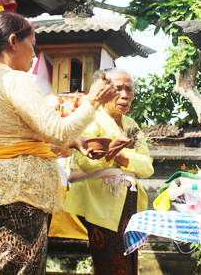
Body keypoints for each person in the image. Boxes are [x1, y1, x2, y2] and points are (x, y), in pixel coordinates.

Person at [0, 11, 117, 275]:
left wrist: (74, 142)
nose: (35, 54)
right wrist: (92, 101)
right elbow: (57, 130)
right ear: (13, 42)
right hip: (20, 193)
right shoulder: (15, 79)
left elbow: (21, 140)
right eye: (32, 44)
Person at [64, 68, 154, 275]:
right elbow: (84, 162)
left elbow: (147, 167)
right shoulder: (91, 120)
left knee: (129, 258)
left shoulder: (131, 125)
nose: (125, 95)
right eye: (118, 89)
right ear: (104, 92)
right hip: (99, 202)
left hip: (127, 202)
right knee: (109, 259)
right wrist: (118, 152)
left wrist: (118, 156)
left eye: (129, 89)